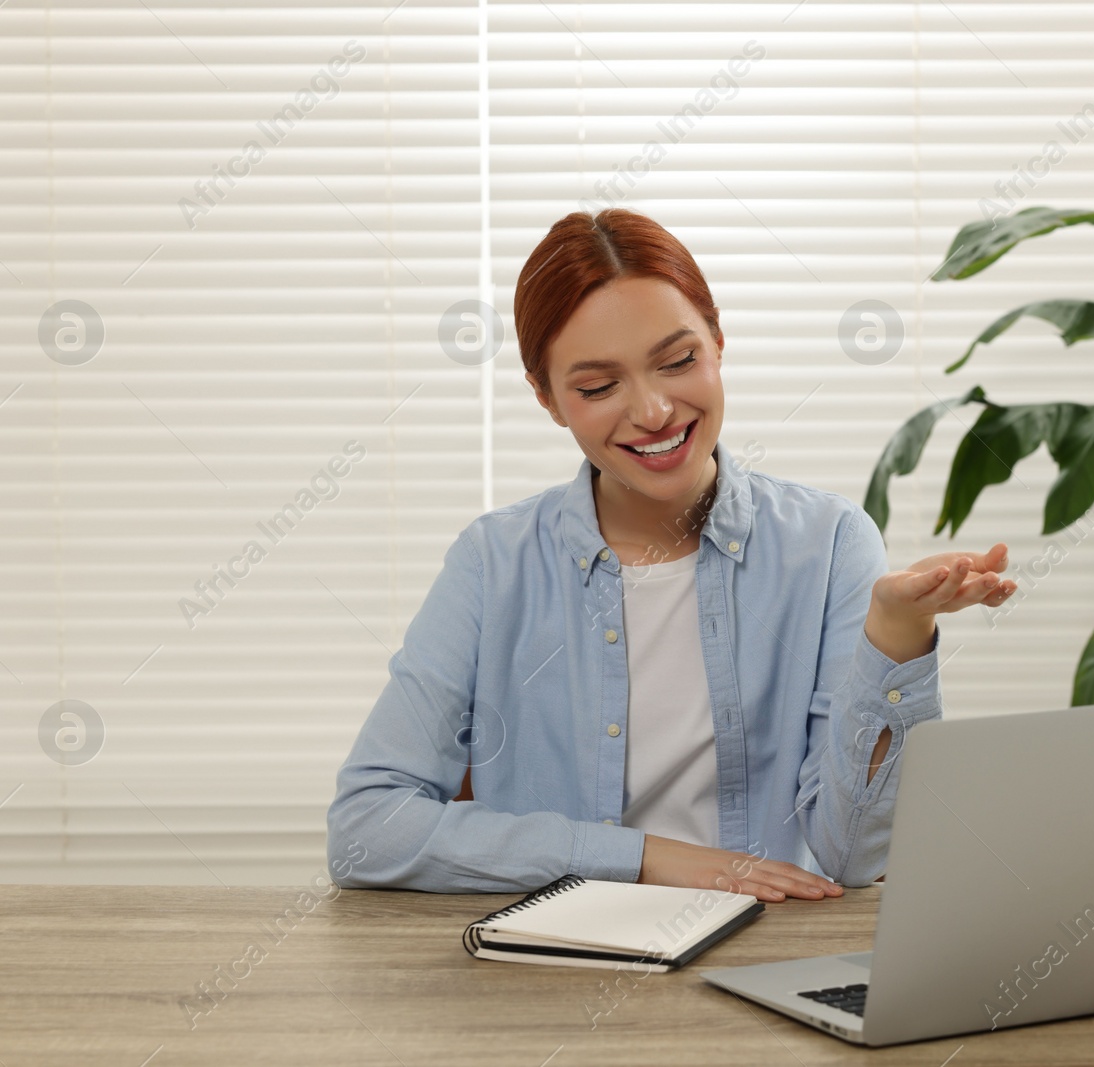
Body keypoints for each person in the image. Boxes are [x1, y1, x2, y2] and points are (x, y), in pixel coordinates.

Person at [327, 209, 1016, 900]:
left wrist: (897, 636)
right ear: (548, 398)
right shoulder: (493, 563)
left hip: (762, 961)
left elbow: (857, 854)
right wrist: (644, 856)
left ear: (717, 341)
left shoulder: (831, 543)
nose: (654, 411)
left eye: (679, 360)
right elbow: (366, 828)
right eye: (598, 387)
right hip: (550, 977)